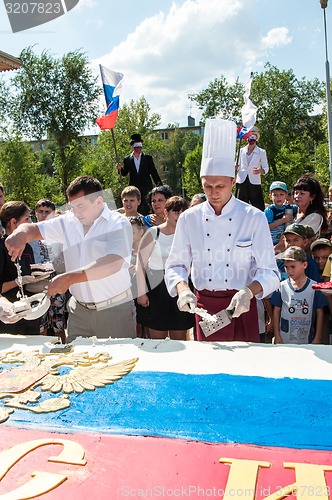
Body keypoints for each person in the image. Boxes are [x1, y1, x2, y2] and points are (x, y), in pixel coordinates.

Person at [165, 118, 279, 343]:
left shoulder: (253, 217)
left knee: (244, 372)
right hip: (204, 308)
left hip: (240, 306)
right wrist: (182, 288)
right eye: (207, 186)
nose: (213, 192)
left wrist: (249, 292)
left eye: (220, 186)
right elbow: (176, 264)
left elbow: (271, 272)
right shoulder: (189, 218)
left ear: (233, 180)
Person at [5, 176, 136, 342]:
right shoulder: (69, 221)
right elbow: (34, 229)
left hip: (113, 310)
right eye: (72, 206)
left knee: (119, 364)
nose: (75, 212)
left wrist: (69, 278)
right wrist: (20, 234)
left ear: (99, 201)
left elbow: (114, 262)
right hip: (78, 312)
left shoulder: (118, 224)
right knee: (75, 364)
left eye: (80, 206)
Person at [136, 196, 194, 340]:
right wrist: (141, 292)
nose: (179, 216)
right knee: (157, 340)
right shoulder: (153, 233)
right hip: (156, 290)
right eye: (176, 211)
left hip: (179, 288)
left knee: (179, 337)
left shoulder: (189, 235)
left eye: (182, 212)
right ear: (166, 213)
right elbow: (140, 263)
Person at [0, 201, 48, 334]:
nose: (30, 223)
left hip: (30, 315)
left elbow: (28, 279)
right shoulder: (1, 248)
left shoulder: (27, 247)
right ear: (13, 222)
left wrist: (40, 281)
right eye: (27, 219)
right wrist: (17, 282)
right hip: (8, 318)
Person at [270, 246, 327, 344]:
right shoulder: (281, 287)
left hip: (306, 339)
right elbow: (276, 310)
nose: (289, 270)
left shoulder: (315, 288)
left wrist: (318, 337)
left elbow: (320, 312)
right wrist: (277, 335)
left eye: (293, 267)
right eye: (286, 267)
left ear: (304, 265)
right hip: (285, 339)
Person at [116, 133, 162, 215]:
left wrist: (159, 186)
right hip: (134, 188)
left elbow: (153, 172)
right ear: (132, 146)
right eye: (136, 145)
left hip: (146, 187)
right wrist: (120, 169)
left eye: (139, 145)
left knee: (147, 207)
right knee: (136, 208)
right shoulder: (127, 159)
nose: (138, 147)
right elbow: (124, 173)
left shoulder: (147, 158)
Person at [235, 131, 268, 211]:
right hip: (241, 181)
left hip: (254, 181)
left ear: (256, 139)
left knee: (258, 206)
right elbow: (237, 165)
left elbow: (266, 168)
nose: (251, 140)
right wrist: (235, 168)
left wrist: (260, 171)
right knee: (240, 206)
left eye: (253, 138)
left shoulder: (261, 152)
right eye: (249, 137)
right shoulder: (241, 151)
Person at [264, 181, 298, 246]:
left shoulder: (288, 207)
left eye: (281, 194)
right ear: (270, 196)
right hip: (271, 242)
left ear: (286, 196)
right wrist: (283, 220)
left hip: (284, 241)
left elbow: (299, 207)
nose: (278, 197)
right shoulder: (270, 210)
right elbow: (266, 227)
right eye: (275, 195)